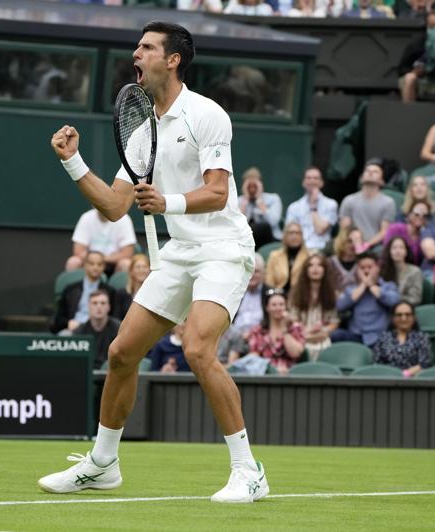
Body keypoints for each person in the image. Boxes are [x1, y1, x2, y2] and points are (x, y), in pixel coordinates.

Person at [39, 22, 269, 503]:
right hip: (179, 253)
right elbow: (115, 206)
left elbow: (218, 191)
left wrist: (167, 204)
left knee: (198, 347)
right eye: (137, 47)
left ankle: (249, 470)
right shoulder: (143, 133)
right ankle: (103, 464)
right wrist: (72, 162)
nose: (135, 54)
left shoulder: (207, 115)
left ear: (173, 59)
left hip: (224, 249)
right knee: (122, 354)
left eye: (146, 48)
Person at [332, 251, 401, 347]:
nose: (366, 271)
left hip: (380, 336)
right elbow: (340, 306)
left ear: (378, 268)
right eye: (362, 268)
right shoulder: (352, 289)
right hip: (356, 336)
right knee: (335, 335)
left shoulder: (388, 286)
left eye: (369, 267)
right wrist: (363, 286)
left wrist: (372, 286)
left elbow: (395, 302)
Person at [288, 253, 339, 361]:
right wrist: (307, 331)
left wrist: (323, 330)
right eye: (311, 265)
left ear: (325, 269)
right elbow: (293, 319)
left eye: (319, 265)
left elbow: (334, 322)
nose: (315, 269)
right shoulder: (295, 293)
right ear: (306, 270)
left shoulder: (333, 293)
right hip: (301, 333)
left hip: (323, 334)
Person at [51, 251, 114, 334]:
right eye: (91, 263)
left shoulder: (110, 291)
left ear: (104, 267)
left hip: (100, 330)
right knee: (64, 335)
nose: (95, 267)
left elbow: (114, 317)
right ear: (84, 265)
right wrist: (68, 323)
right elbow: (59, 318)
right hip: (74, 329)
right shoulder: (70, 290)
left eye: (99, 264)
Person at [338, 161, 396, 251]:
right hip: (352, 244)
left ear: (382, 181)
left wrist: (366, 245)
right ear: (361, 178)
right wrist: (356, 244)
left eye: (375, 172)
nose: (370, 173)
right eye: (367, 171)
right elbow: (345, 228)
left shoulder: (388, 202)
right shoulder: (349, 200)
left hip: (376, 247)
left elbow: (385, 231)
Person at [244, 289, 305, 374]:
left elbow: (296, 353)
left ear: (286, 307)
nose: (278, 308)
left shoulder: (295, 328)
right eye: (274, 305)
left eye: (281, 304)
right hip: (266, 374)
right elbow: (254, 356)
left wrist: (284, 329)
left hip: (291, 374)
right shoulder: (258, 330)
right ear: (267, 307)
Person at [283, 166, 338, 251]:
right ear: (303, 182)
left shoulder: (331, 204)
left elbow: (320, 230)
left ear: (321, 183)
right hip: (299, 250)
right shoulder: (294, 207)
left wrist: (313, 207)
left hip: (322, 250)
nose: (312, 181)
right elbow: (289, 233)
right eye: (308, 178)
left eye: (315, 178)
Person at [66, 208, 136, 274]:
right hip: (90, 263)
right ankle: (76, 287)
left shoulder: (124, 218)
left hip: (114, 264)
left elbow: (127, 254)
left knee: (126, 264)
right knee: (73, 262)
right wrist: (95, 260)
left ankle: (124, 287)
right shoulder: (86, 217)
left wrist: (102, 259)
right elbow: (78, 251)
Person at [373, 301, 432, 377]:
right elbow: (377, 364)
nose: (403, 318)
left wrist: (404, 375)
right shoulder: (383, 338)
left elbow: (424, 364)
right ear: (393, 318)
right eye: (399, 315)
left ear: (413, 317)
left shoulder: (422, 338)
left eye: (408, 315)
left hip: (414, 382)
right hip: (387, 380)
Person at [74, 290, 121, 370]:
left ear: (109, 307)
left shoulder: (118, 329)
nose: (99, 307)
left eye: (103, 303)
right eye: (95, 303)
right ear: (88, 306)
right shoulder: (79, 332)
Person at [237, 166, 283, 248]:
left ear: (260, 184)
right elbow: (237, 224)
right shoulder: (239, 201)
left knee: (263, 227)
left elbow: (273, 222)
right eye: (249, 186)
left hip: (270, 238)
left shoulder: (273, 199)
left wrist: (259, 200)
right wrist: (245, 200)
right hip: (245, 239)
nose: (252, 189)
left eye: (255, 185)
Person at [383, 200, 429, 268]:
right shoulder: (395, 228)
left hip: (411, 271)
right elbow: (387, 251)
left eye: (424, 215)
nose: (421, 217)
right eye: (417, 214)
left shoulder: (426, 236)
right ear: (409, 215)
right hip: (390, 267)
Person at [265, 222, 308, 294]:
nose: (294, 236)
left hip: (301, 296)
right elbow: (269, 282)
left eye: (297, 233)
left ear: (302, 236)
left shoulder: (309, 257)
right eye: (291, 233)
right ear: (285, 236)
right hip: (279, 295)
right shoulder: (274, 256)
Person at [381, 237, 423, 306]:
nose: (398, 251)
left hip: (406, 309)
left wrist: (394, 298)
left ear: (406, 252)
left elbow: (415, 299)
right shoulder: (383, 271)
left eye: (401, 248)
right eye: (394, 248)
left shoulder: (415, 272)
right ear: (389, 251)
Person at [112, 253, 150, 320]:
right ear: (131, 271)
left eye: (144, 267)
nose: (141, 270)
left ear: (149, 270)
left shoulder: (155, 293)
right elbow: (117, 318)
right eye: (138, 267)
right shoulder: (121, 294)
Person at [329, 226, 359, 291]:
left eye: (356, 241)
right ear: (342, 242)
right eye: (349, 241)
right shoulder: (330, 263)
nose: (353, 244)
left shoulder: (363, 262)